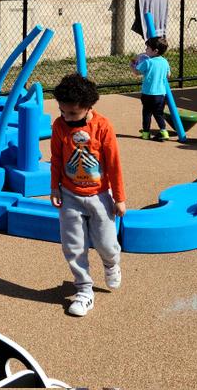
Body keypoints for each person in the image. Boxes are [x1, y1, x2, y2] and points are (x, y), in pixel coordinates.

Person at [50, 73, 125, 317]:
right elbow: (57, 159)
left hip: (100, 195)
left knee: (106, 243)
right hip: (70, 194)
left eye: (72, 114)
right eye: (63, 111)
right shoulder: (59, 125)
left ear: (88, 107)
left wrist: (119, 198)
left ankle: (111, 263)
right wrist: (54, 188)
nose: (66, 117)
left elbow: (113, 164)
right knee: (73, 245)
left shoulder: (103, 127)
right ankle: (84, 290)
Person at [131, 36, 172, 140]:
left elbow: (136, 72)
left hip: (148, 94)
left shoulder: (148, 62)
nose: (145, 50)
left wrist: (132, 63)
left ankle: (146, 133)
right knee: (159, 114)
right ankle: (164, 131)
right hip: (161, 94)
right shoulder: (165, 62)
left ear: (155, 51)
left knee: (147, 113)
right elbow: (168, 75)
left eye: (148, 48)